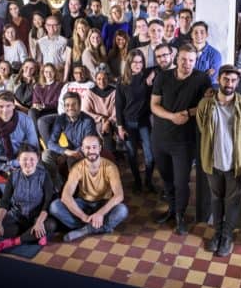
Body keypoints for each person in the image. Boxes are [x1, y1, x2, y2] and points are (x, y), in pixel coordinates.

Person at [150, 43, 212, 234]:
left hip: (184, 141)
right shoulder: (163, 77)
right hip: (160, 138)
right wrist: (172, 116)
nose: (187, 63)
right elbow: (154, 105)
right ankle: (171, 209)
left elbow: (207, 105)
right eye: (184, 59)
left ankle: (180, 216)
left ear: (196, 61)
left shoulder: (202, 79)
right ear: (176, 59)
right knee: (167, 179)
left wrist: (186, 113)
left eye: (191, 60)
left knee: (181, 182)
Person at [196, 65, 241, 257]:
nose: (229, 84)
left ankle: (227, 236)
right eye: (226, 79)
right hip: (212, 162)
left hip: (235, 165)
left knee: (232, 202)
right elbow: (202, 127)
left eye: (233, 80)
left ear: (238, 82)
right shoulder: (205, 104)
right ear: (219, 80)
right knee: (216, 199)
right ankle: (217, 233)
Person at [49, 135, 128, 242]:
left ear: (99, 148)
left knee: (122, 210)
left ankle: (84, 230)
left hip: (103, 203)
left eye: (94, 147)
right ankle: (97, 227)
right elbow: (65, 196)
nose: (91, 151)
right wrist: (84, 217)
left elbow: (119, 195)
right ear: (82, 149)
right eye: (87, 148)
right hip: (84, 204)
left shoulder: (110, 167)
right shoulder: (77, 168)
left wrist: (100, 213)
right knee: (54, 206)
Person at [0, 143, 56, 253]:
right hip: (18, 217)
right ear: (18, 160)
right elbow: (5, 201)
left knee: (51, 225)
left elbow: (48, 201)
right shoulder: (13, 175)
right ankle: (33, 235)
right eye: (24, 159)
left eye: (32, 159)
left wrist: (39, 222)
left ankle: (15, 241)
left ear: (38, 159)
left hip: (37, 217)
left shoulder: (44, 175)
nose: (28, 163)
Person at [115, 50, 155, 193]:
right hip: (128, 123)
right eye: (135, 62)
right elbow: (118, 105)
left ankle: (148, 182)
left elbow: (161, 67)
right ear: (129, 63)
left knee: (150, 156)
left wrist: (150, 79)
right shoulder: (122, 81)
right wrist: (120, 126)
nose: (138, 65)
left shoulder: (147, 76)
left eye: (140, 62)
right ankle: (137, 182)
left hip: (144, 122)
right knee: (132, 155)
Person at [41, 91, 97, 191]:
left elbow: (87, 145)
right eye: (67, 105)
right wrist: (65, 151)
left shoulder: (88, 121)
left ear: (80, 106)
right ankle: (59, 186)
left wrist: (68, 155)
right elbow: (51, 143)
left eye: (73, 104)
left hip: (86, 150)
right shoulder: (61, 119)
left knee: (72, 159)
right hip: (70, 150)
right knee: (46, 155)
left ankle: (77, 190)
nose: (70, 108)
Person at [81, 70, 116, 153]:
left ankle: (111, 154)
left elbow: (117, 110)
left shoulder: (115, 91)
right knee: (103, 130)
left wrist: (108, 121)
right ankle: (108, 155)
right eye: (99, 79)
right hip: (97, 121)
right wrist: (101, 118)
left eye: (104, 79)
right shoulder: (90, 92)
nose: (102, 81)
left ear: (108, 79)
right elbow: (85, 110)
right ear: (95, 80)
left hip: (113, 119)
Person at [28, 63, 62, 133]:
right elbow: (35, 101)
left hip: (53, 111)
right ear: (43, 73)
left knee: (38, 117)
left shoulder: (59, 86)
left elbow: (57, 102)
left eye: (51, 72)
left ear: (55, 73)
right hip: (41, 110)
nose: (48, 74)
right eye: (46, 72)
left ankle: (35, 137)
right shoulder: (38, 86)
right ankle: (35, 136)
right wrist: (36, 105)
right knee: (32, 111)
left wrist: (44, 106)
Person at [190, 21, 222, 85]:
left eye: (202, 32)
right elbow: (182, 73)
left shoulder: (215, 54)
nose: (199, 35)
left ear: (207, 34)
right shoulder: (184, 52)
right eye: (196, 32)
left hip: (207, 89)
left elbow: (212, 78)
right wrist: (205, 74)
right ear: (191, 35)